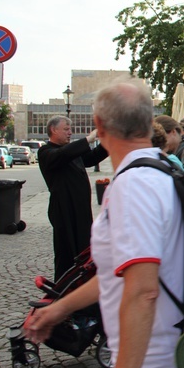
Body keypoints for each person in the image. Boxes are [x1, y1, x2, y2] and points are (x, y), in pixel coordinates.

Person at [27, 83, 184, 368]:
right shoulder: (159, 170)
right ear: (149, 125)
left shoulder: (134, 186)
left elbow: (142, 291)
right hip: (169, 357)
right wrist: (59, 309)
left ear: (101, 126)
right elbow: (119, 275)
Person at [38, 116, 108, 281]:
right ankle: (63, 284)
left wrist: (108, 142)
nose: (70, 132)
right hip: (63, 208)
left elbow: (90, 159)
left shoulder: (70, 151)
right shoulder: (46, 152)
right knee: (66, 251)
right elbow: (63, 155)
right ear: (54, 130)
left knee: (83, 248)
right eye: (66, 129)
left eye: (70, 129)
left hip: (80, 209)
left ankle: (81, 282)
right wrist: (88, 139)